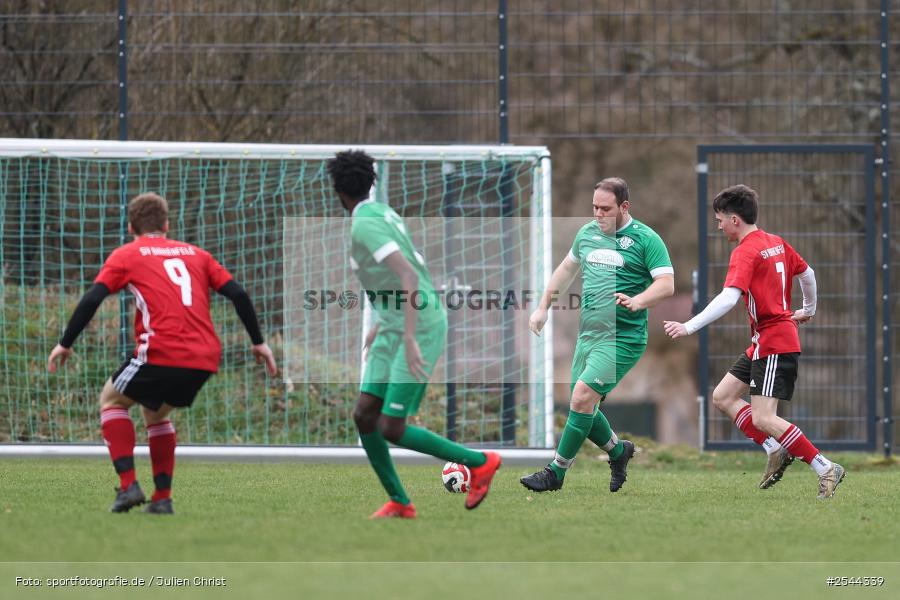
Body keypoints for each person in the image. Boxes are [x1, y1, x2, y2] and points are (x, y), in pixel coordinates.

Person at [47, 192, 277, 514]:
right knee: (155, 414)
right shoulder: (197, 254)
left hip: (161, 350)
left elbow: (92, 298)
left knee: (111, 400)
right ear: (167, 224)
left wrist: (65, 342)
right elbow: (237, 293)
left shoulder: (128, 255)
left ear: (131, 227)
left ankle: (128, 486)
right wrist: (258, 342)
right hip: (204, 358)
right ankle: (162, 499)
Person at [327, 149, 501, 519]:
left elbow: (408, 276)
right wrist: (382, 323)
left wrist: (407, 337)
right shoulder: (381, 212)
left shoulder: (365, 224)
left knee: (390, 425)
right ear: (370, 182)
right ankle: (401, 503)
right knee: (364, 414)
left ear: (337, 190)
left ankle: (481, 462)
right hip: (397, 321)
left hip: (417, 325)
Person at [663, 184, 844, 499]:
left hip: (774, 342)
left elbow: (728, 298)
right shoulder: (775, 242)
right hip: (767, 339)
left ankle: (825, 466)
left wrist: (689, 326)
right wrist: (808, 311)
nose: (718, 226)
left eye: (720, 220)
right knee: (722, 396)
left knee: (763, 417)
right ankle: (775, 449)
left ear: (735, 219)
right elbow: (809, 274)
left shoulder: (745, 251)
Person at [521, 178, 674, 493]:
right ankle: (619, 452)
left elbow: (666, 284)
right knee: (583, 406)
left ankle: (556, 473)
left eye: (606, 209)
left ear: (624, 207)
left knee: (581, 397)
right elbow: (565, 271)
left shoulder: (646, 239)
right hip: (588, 336)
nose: (599, 214)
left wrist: (639, 300)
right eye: (595, 208)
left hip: (623, 338)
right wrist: (542, 307)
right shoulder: (587, 234)